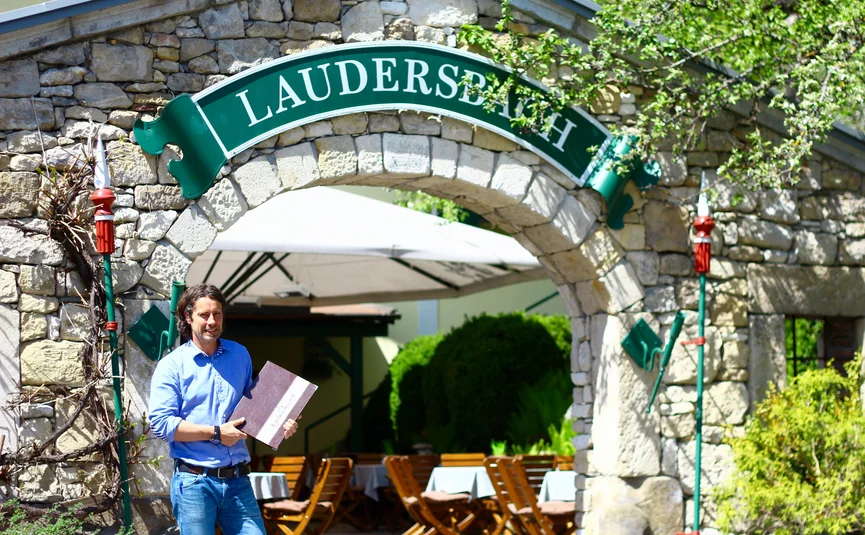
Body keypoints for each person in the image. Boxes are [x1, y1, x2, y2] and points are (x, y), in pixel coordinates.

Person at [149, 284, 299, 535]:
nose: (212, 321)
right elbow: (161, 425)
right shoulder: (171, 365)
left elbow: (253, 410)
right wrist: (216, 432)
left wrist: (280, 422)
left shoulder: (239, 354)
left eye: (216, 314)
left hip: (238, 481)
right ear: (188, 317)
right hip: (194, 482)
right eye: (204, 315)